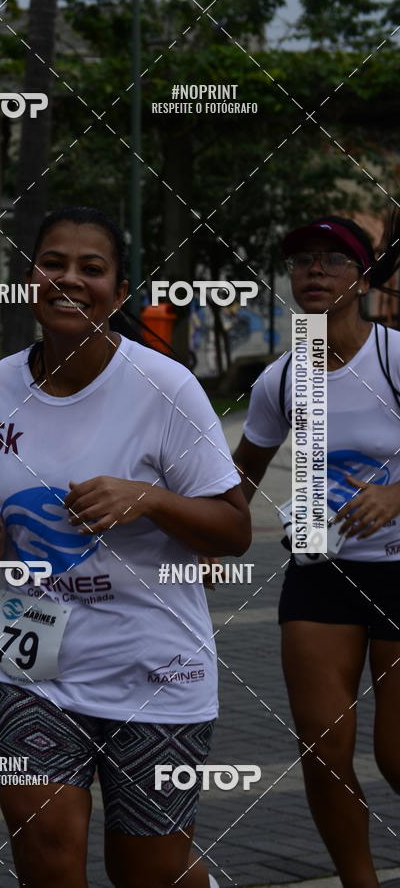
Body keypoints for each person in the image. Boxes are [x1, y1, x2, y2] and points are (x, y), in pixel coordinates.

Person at [0, 206, 251, 888]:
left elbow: (234, 530)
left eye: (92, 269)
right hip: (31, 660)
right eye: (53, 263)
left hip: (155, 671)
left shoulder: (164, 387)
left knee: (147, 872)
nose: (69, 280)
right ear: (30, 278)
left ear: (118, 293)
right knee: (47, 858)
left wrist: (147, 499)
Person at [232, 214, 400, 888]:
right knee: (323, 751)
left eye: (332, 260)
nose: (314, 271)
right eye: (302, 261)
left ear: (361, 279)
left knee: (396, 758)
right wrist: (209, 534)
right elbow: (241, 471)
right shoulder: (281, 377)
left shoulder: (393, 357)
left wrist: (397, 497)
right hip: (319, 573)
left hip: (399, 572)